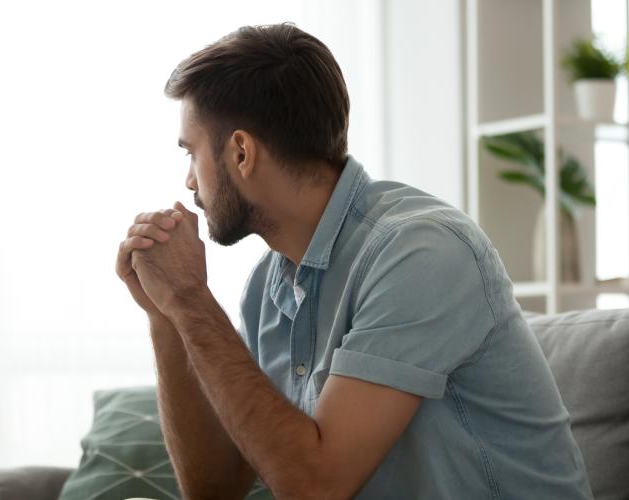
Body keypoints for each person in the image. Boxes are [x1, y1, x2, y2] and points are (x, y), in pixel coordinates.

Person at [115, 23, 593, 500]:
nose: (189, 183)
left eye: (191, 153)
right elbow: (213, 490)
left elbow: (315, 487)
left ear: (241, 152)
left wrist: (191, 299)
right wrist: (167, 314)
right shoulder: (268, 286)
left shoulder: (422, 252)